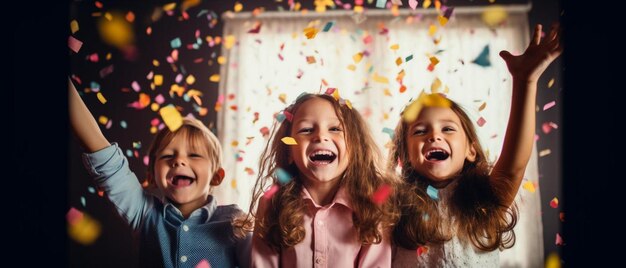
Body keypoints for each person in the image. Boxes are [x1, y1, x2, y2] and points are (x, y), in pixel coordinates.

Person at [390, 23, 562, 267]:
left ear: (471, 150)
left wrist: (525, 81)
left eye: (447, 128)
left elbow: (513, 167)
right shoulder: (395, 205)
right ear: (404, 155)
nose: (434, 136)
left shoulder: (485, 198)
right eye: (420, 131)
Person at [69, 78, 252, 268]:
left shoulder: (235, 221)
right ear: (151, 176)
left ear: (216, 176)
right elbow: (106, 161)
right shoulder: (145, 213)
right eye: (167, 156)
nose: (179, 161)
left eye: (194, 155)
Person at [245, 91, 400, 267]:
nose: (320, 136)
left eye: (335, 129)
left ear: (355, 148)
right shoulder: (271, 204)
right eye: (306, 130)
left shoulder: (373, 205)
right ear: (289, 152)